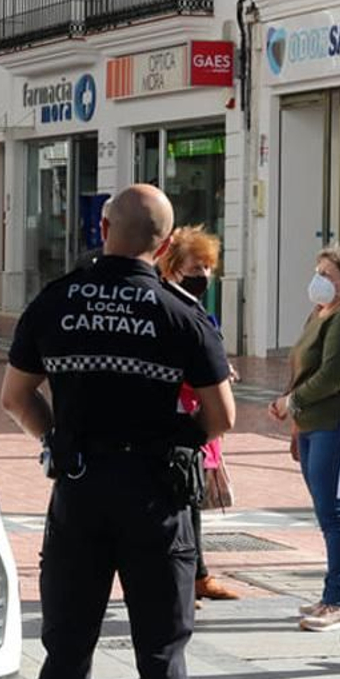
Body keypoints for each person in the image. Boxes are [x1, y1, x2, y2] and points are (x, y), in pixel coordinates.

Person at [1, 184, 234, 679]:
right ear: (164, 244)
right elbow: (222, 416)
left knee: (66, 646)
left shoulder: (57, 300)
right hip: (157, 496)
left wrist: (57, 437)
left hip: (79, 489)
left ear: (103, 226)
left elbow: (15, 395)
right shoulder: (180, 311)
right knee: (161, 647)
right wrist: (173, 437)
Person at [267, 246, 340, 632]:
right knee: (326, 511)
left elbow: (334, 376)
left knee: (336, 512)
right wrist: (293, 415)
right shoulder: (319, 314)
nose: (318, 281)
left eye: (328, 275)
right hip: (314, 422)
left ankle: (339, 601)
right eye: (318, 271)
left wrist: (292, 401)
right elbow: (303, 366)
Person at [156, 226, 243, 604]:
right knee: (178, 501)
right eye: (196, 266)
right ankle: (180, 578)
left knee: (192, 501)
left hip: (198, 415)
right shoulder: (165, 307)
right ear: (173, 267)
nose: (204, 275)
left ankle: (197, 575)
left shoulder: (199, 311)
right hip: (176, 417)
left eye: (209, 267)